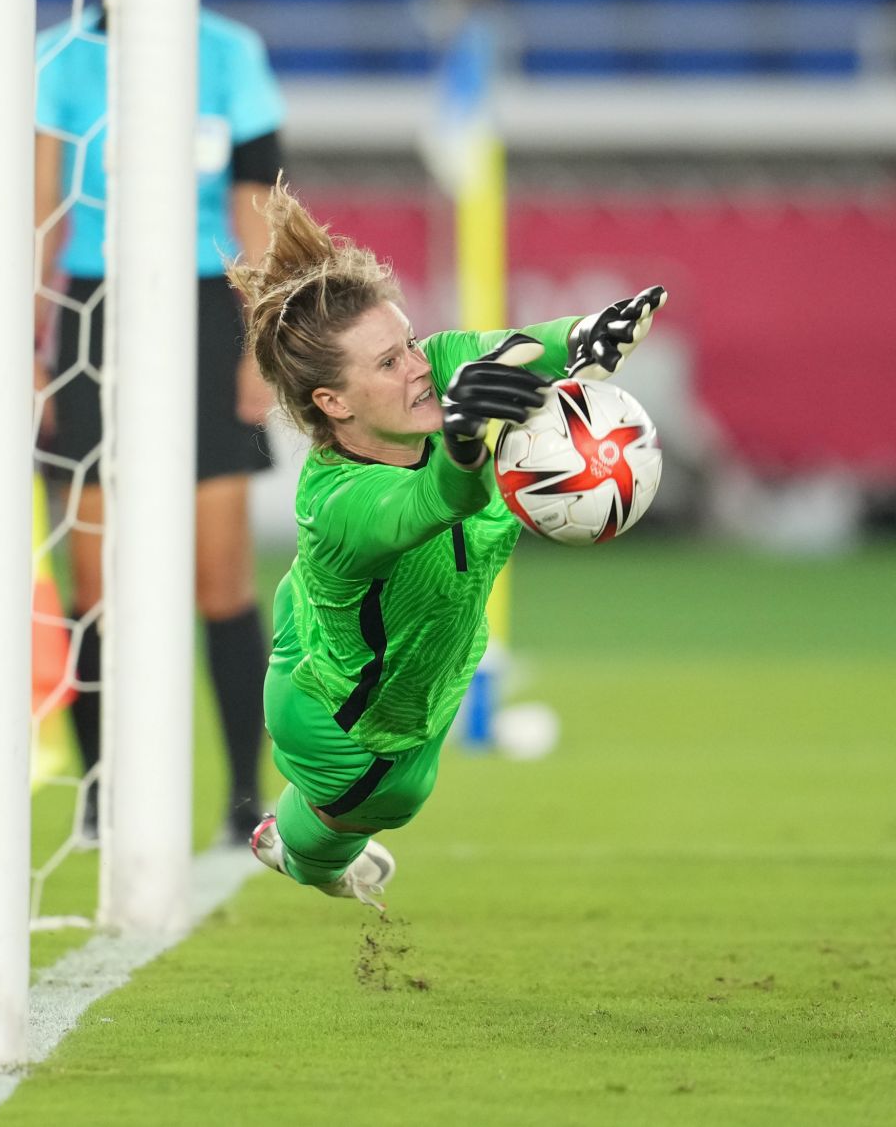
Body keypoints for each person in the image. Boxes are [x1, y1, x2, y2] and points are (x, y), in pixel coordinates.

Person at [234, 185, 663, 907]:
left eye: (407, 342)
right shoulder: (340, 506)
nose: (418, 366)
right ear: (332, 404)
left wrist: (587, 334)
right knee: (387, 804)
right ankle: (293, 844)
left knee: (341, 613)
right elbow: (436, 500)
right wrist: (462, 447)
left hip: (314, 624)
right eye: (389, 363)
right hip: (354, 733)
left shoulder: (434, 371)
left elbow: (523, 347)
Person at [34, 0, 285, 842]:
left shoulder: (229, 55)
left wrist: (260, 347)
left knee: (217, 576)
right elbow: (36, 213)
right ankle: (103, 791)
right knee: (94, 578)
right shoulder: (58, 60)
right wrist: (20, 342)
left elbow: (259, 210)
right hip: (96, 317)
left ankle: (236, 796)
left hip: (205, 314)